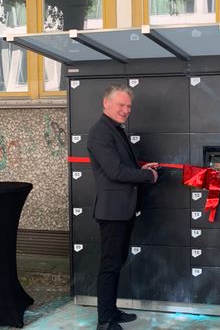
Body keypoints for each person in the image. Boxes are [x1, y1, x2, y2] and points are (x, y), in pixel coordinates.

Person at [87, 84, 158, 330]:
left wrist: (143, 170)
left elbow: (123, 164)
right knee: (109, 265)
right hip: (112, 211)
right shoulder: (100, 133)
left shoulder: (115, 130)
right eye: (121, 105)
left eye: (128, 106)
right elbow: (115, 171)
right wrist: (148, 177)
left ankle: (111, 310)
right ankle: (104, 321)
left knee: (116, 262)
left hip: (123, 209)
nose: (126, 110)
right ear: (106, 103)